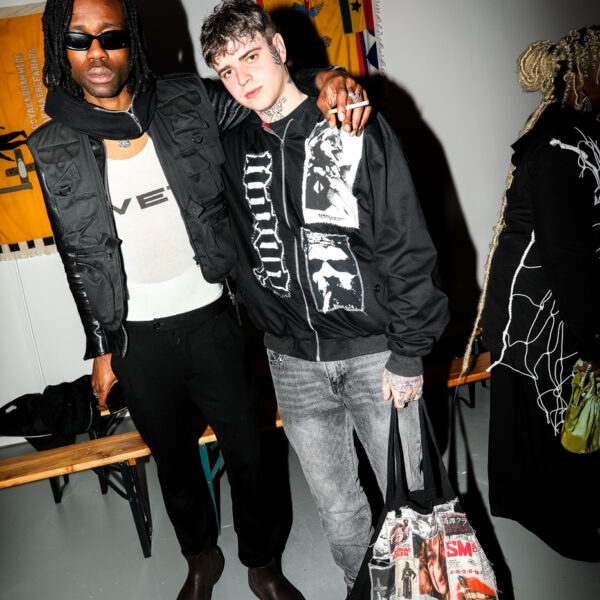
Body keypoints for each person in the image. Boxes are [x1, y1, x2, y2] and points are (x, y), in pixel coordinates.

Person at [26, 1, 371, 599]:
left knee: (250, 456)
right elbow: (75, 254)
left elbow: (268, 92)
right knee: (174, 465)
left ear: (131, 40)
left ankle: (263, 565)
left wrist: (328, 78)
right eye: (80, 40)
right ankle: (200, 559)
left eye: (110, 37)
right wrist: (102, 347)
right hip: (136, 338)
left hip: (212, 317)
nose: (97, 53)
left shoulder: (188, 100)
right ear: (63, 47)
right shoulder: (52, 144)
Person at [200, 0, 449, 591]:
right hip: (292, 364)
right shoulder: (232, 144)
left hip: (374, 354)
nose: (242, 79)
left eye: (252, 57)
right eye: (227, 70)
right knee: (338, 509)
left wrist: (409, 351)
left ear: (280, 49)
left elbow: (405, 239)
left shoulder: (350, 123)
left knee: (411, 499)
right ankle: (362, 589)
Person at [466, 25, 600, 560]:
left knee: (554, 409)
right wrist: (591, 334)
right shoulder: (557, 144)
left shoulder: (579, 131)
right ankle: (555, 520)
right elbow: (564, 249)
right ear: (582, 74)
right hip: (534, 298)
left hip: (554, 290)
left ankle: (542, 505)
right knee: (551, 408)